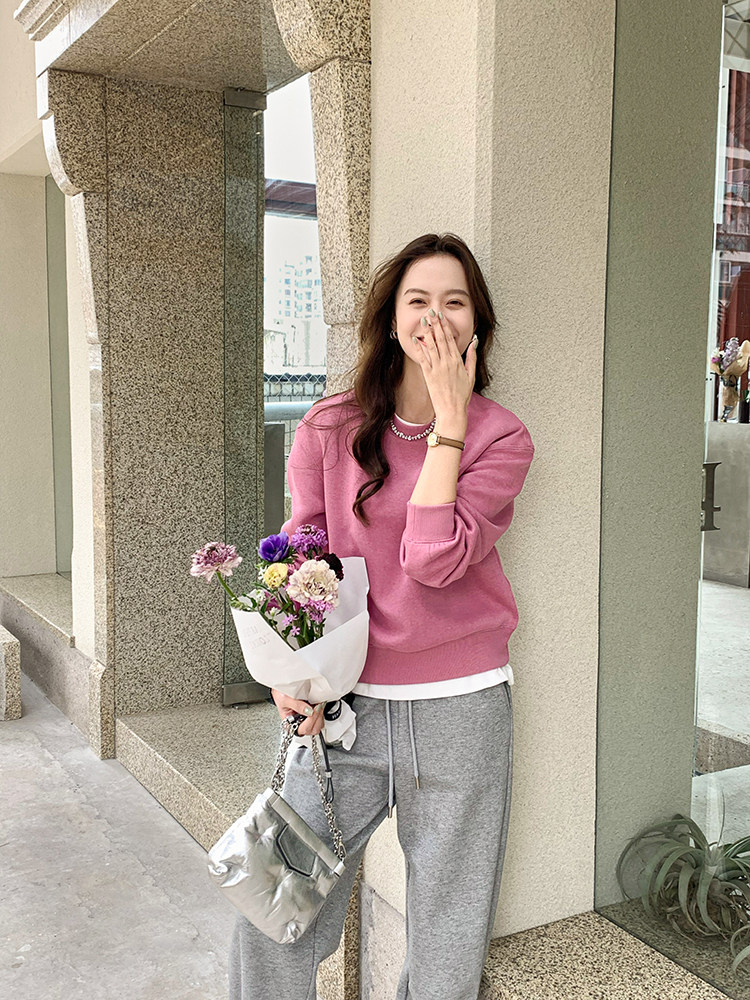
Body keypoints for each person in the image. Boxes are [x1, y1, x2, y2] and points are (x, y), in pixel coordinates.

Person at [228, 232, 534, 1000]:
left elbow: (432, 559)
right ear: (391, 319)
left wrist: (450, 422)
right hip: (342, 712)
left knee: (447, 944)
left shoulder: (500, 437)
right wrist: (291, 673)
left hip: (462, 711)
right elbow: (302, 559)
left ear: (477, 325)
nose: (435, 317)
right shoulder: (329, 428)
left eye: (454, 303)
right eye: (417, 300)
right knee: (270, 915)